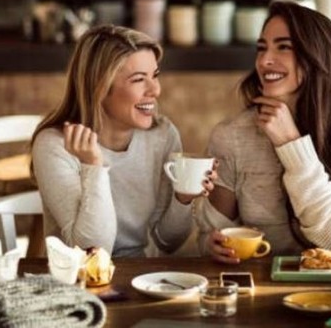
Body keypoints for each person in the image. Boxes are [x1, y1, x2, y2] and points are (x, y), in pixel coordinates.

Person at [196, 0, 331, 263]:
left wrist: (291, 144)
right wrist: (212, 245)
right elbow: (211, 234)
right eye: (261, 48)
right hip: (264, 285)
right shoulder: (232, 135)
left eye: (284, 47)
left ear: (317, 57)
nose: (265, 61)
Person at [31, 24, 215, 257]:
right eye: (139, 79)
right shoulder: (55, 145)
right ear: (99, 87)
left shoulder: (162, 136)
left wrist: (183, 198)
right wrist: (94, 166)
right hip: (78, 281)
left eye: (155, 75)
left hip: (139, 279)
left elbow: (168, 242)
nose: (155, 90)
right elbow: (92, 251)